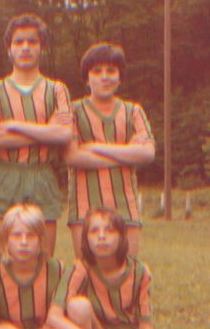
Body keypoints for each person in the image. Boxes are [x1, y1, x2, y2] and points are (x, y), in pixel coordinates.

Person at [47, 207, 199, 329]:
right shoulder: (80, 269)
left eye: (109, 230)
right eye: (94, 231)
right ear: (86, 239)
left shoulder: (139, 271)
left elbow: (146, 327)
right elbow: (53, 318)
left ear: (121, 237)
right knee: (78, 306)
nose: (102, 236)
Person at [0, 13, 72, 258]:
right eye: (19, 42)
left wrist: (14, 126)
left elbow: (64, 135)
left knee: (43, 262)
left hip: (42, 174)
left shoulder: (57, 90)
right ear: (9, 48)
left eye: (32, 41)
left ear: (42, 47)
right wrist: (46, 131)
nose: (25, 47)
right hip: (4, 174)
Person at [64, 42, 155, 258]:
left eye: (111, 71)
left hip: (125, 206)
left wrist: (95, 147)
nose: (105, 77)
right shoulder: (73, 111)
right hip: (84, 207)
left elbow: (147, 153)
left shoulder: (133, 111)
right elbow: (72, 156)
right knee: (87, 272)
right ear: (87, 79)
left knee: (128, 271)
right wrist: (127, 154)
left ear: (120, 77)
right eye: (97, 71)